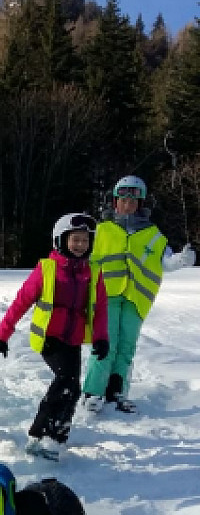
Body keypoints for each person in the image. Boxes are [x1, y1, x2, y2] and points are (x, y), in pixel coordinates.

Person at [0, 213, 108, 460]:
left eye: (85, 240)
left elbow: (100, 308)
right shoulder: (47, 269)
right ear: (61, 240)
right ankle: (43, 435)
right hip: (50, 338)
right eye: (75, 239)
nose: (80, 245)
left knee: (73, 388)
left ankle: (54, 435)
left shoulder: (92, 271)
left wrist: (101, 338)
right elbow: (21, 302)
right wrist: (3, 334)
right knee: (66, 381)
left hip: (73, 340)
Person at [82, 175, 195, 414]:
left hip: (135, 299)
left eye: (133, 200)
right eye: (123, 199)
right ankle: (93, 392)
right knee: (105, 344)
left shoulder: (153, 235)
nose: (128, 204)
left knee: (126, 347)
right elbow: (81, 255)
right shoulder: (100, 230)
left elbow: (166, 262)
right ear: (115, 201)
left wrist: (182, 260)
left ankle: (116, 393)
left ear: (141, 203)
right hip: (105, 296)